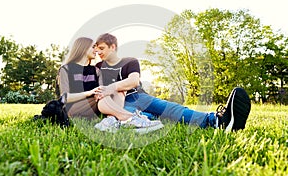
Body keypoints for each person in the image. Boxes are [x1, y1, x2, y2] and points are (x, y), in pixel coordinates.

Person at [95, 33, 251, 132]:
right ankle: (145, 119)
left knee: (173, 109)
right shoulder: (97, 67)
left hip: (139, 96)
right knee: (137, 119)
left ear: (113, 47)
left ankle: (218, 121)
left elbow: (133, 81)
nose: (99, 52)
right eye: (97, 49)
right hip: (119, 104)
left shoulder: (129, 61)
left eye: (102, 48)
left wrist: (110, 88)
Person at [58, 37, 164, 132]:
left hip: (96, 106)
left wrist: (104, 91)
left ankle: (110, 121)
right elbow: (64, 98)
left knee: (116, 90)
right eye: (93, 47)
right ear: (83, 48)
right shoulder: (66, 69)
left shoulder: (96, 70)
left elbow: (103, 90)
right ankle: (129, 118)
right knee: (103, 94)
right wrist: (89, 93)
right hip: (74, 108)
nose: (96, 50)